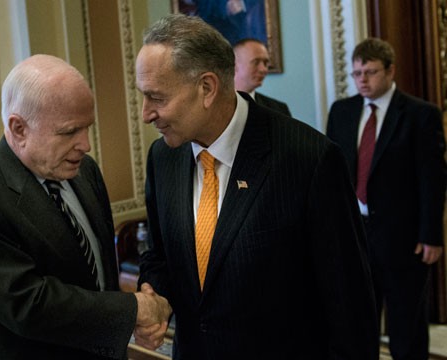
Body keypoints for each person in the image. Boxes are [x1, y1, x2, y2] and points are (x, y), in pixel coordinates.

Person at [135, 14, 379, 358]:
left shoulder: (308, 159)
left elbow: (350, 304)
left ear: (206, 88)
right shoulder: (163, 158)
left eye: (156, 97)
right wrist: (155, 297)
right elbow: (160, 255)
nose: (146, 114)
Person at [0, 54, 171, 359]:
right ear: (19, 128)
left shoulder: (84, 170)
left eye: (87, 127)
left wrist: (126, 318)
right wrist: (132, 310)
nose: (86, 145)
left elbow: (98, 276)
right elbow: (28, 303)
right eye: (68, 132)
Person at [327, 38, 446, 360]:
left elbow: (432, 180)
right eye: (356, 73)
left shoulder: (421, 114)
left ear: (390, 71)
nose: (362, 79)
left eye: (370, 72)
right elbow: (331, 176)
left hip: (404, 238)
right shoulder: (342, 111)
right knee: (356, 322)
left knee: (406, 326)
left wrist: (431, 235)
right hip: (355, 235)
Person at [233, 38, 291, 116]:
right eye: (256, 62)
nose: (263, 69)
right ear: (234, 65)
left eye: (265, 63)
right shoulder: (214, 106)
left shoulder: (278, 109)